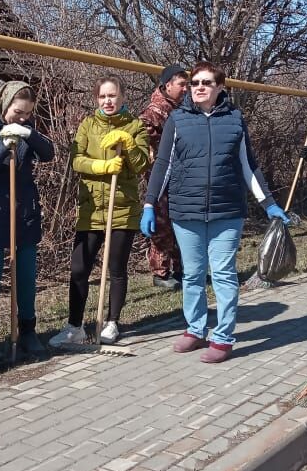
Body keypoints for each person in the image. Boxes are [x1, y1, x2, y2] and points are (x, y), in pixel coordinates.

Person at [142, 61, 289, 363]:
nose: (198, 87)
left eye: (206, 83)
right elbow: (163, 165)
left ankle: (223, 337)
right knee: (193, 275)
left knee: (222, 274)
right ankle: (195, 329)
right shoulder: (178, 119)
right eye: (195, 82)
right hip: (186, 212)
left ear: (220, 87)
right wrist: (149, 202)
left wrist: (269, 203)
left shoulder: (234, 119)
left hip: (227, 213)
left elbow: (249, 167)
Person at [50, 76, 150, 349]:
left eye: (113, 96)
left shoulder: (136, 125)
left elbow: (141, 164)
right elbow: (76, 159)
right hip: (91, 207)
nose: (108, 101)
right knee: (79, 268)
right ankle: (75, 327)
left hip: (122, 209)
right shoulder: (88, 125)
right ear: (97, 99)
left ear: (123, 97)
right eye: (103, 96)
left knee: (116, 268)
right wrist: (101, 167)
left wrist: (128, 144)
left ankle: (112, 322)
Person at [0, 80, 54, 362]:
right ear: (4, 104)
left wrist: (27, 132)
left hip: (24, 210)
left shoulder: (26, 128)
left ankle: (28, 330)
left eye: (27, 113)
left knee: (27, 275)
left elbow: (48, 153)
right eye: (18, 112)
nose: (22, 117)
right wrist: (3, 144)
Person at [139, 64, 190, 290]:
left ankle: (182, 269)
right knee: (161, 225)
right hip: (160, 177)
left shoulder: (181, 109)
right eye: (182, 85)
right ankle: (161, 272)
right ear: (167, 85)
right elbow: (142, 144)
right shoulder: (153, 113)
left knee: (180, 221)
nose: (186, 89)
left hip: (180, 177)